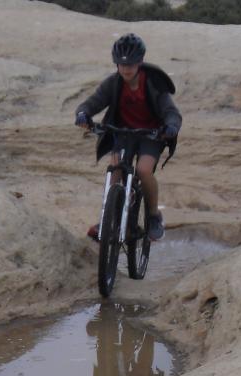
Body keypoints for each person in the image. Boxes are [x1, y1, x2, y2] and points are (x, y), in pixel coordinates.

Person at [75, 33, 181, 242]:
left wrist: (171, 126)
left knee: (142, 170)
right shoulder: (113, 84)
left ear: (140, 62)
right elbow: (93, 102)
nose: (126, 69)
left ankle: (153, 216)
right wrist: (83, 114)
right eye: (121, 65)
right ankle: (108, 220)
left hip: (151, 134)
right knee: (114, 172)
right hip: (122, 133)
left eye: (131, 65)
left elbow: (171, 111)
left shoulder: (153, 83)